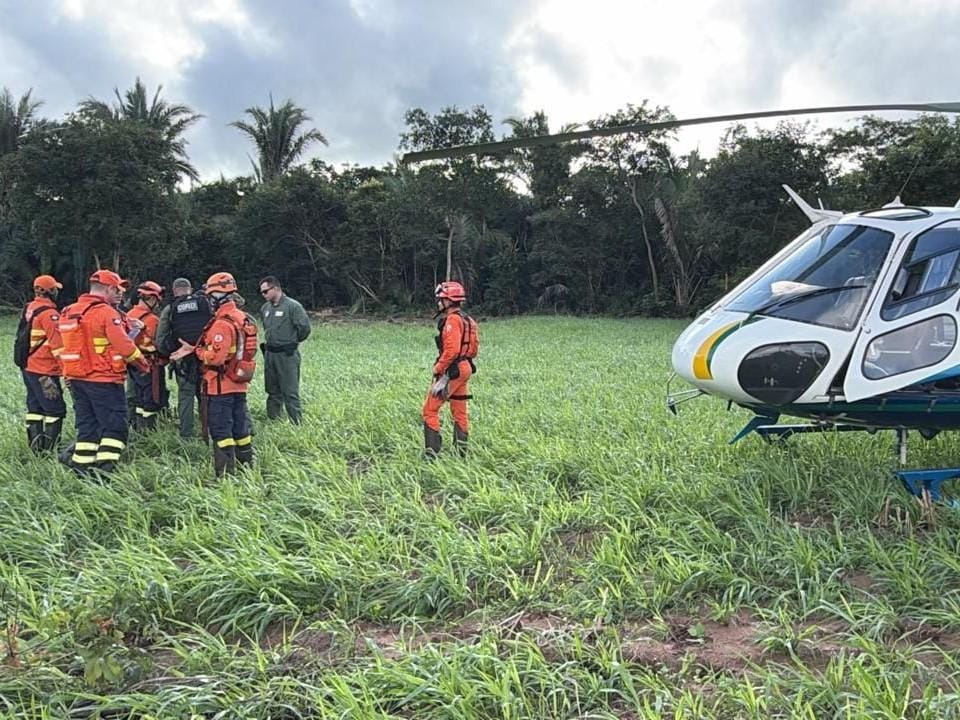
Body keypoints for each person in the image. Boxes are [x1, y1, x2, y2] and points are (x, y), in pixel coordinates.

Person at [58, 269, 150, 474]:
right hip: (104, 379)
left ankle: (81, 470)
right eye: (118, 289)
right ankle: (105, 471)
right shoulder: (106, 312)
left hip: (76, 379)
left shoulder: (68, 311)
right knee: (115, 428)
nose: (121, 294)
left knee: (88, 427)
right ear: (108, 288)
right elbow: (124, 345)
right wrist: (142, 364)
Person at [171, 272, 257, 476]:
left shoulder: (221, 324)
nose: (208, 300)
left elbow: (215, 358)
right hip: (238, 382)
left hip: (220, 385)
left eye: (211, 295)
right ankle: (246, 466)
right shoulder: (242, 317)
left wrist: (198, 351)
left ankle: (225, 474)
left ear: (219, 295)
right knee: (240, 428)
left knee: (221, 430)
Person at [422, 281, 479, 457]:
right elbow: (474, 349)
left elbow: (452, 350)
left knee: (429, 410)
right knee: (459, 411)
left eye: (441, 299)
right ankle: (461, 453)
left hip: (451, 371)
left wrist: (438, 368)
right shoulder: (468, 320)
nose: (439, 302)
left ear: (448, 301)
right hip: (465, 368)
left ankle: (432, 454)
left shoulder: (452, 321)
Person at [16, 275, 65, 453]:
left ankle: (36, 449)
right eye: (55, 288)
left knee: (35, 407)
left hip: (28, 366)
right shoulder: (49, 314)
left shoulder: (30, 307)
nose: (58, 291)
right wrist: (67, 371)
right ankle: (50, 450)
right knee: (56, 409)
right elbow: (58, 346)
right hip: (45, 370)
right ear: (49, 291)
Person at [157, 277, 211, 438]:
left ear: (174, 291)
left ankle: (186, 434)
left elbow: (161, 338)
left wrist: (169, 354)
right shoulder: (204, 303)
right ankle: (207, 431)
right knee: (205, 395)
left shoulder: (171, 308)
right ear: (190, 288)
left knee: (186, 396)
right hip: (205, 358)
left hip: (183, 360)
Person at [259, 276, 311, 423]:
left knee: (290, 391)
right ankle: (273, 419)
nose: (264, 295)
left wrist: (291, 341)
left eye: (266, 291)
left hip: (287, 354)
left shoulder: (293, 306)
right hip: (270, 354)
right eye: (262, 292)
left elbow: (304, 328)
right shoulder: (265, 308)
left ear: (276, 288)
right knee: (272, 390)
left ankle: (296, 421)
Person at [126, 281, 168, 430]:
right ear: (150, 298)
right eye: (156, 300)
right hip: (151, 365)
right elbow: (161, 344)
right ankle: (149, 430)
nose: (157, 304)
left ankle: (138, 428)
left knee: (138, 398)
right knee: (152, 399)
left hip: (132, 364)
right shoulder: (153, 320)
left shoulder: (128, 315)